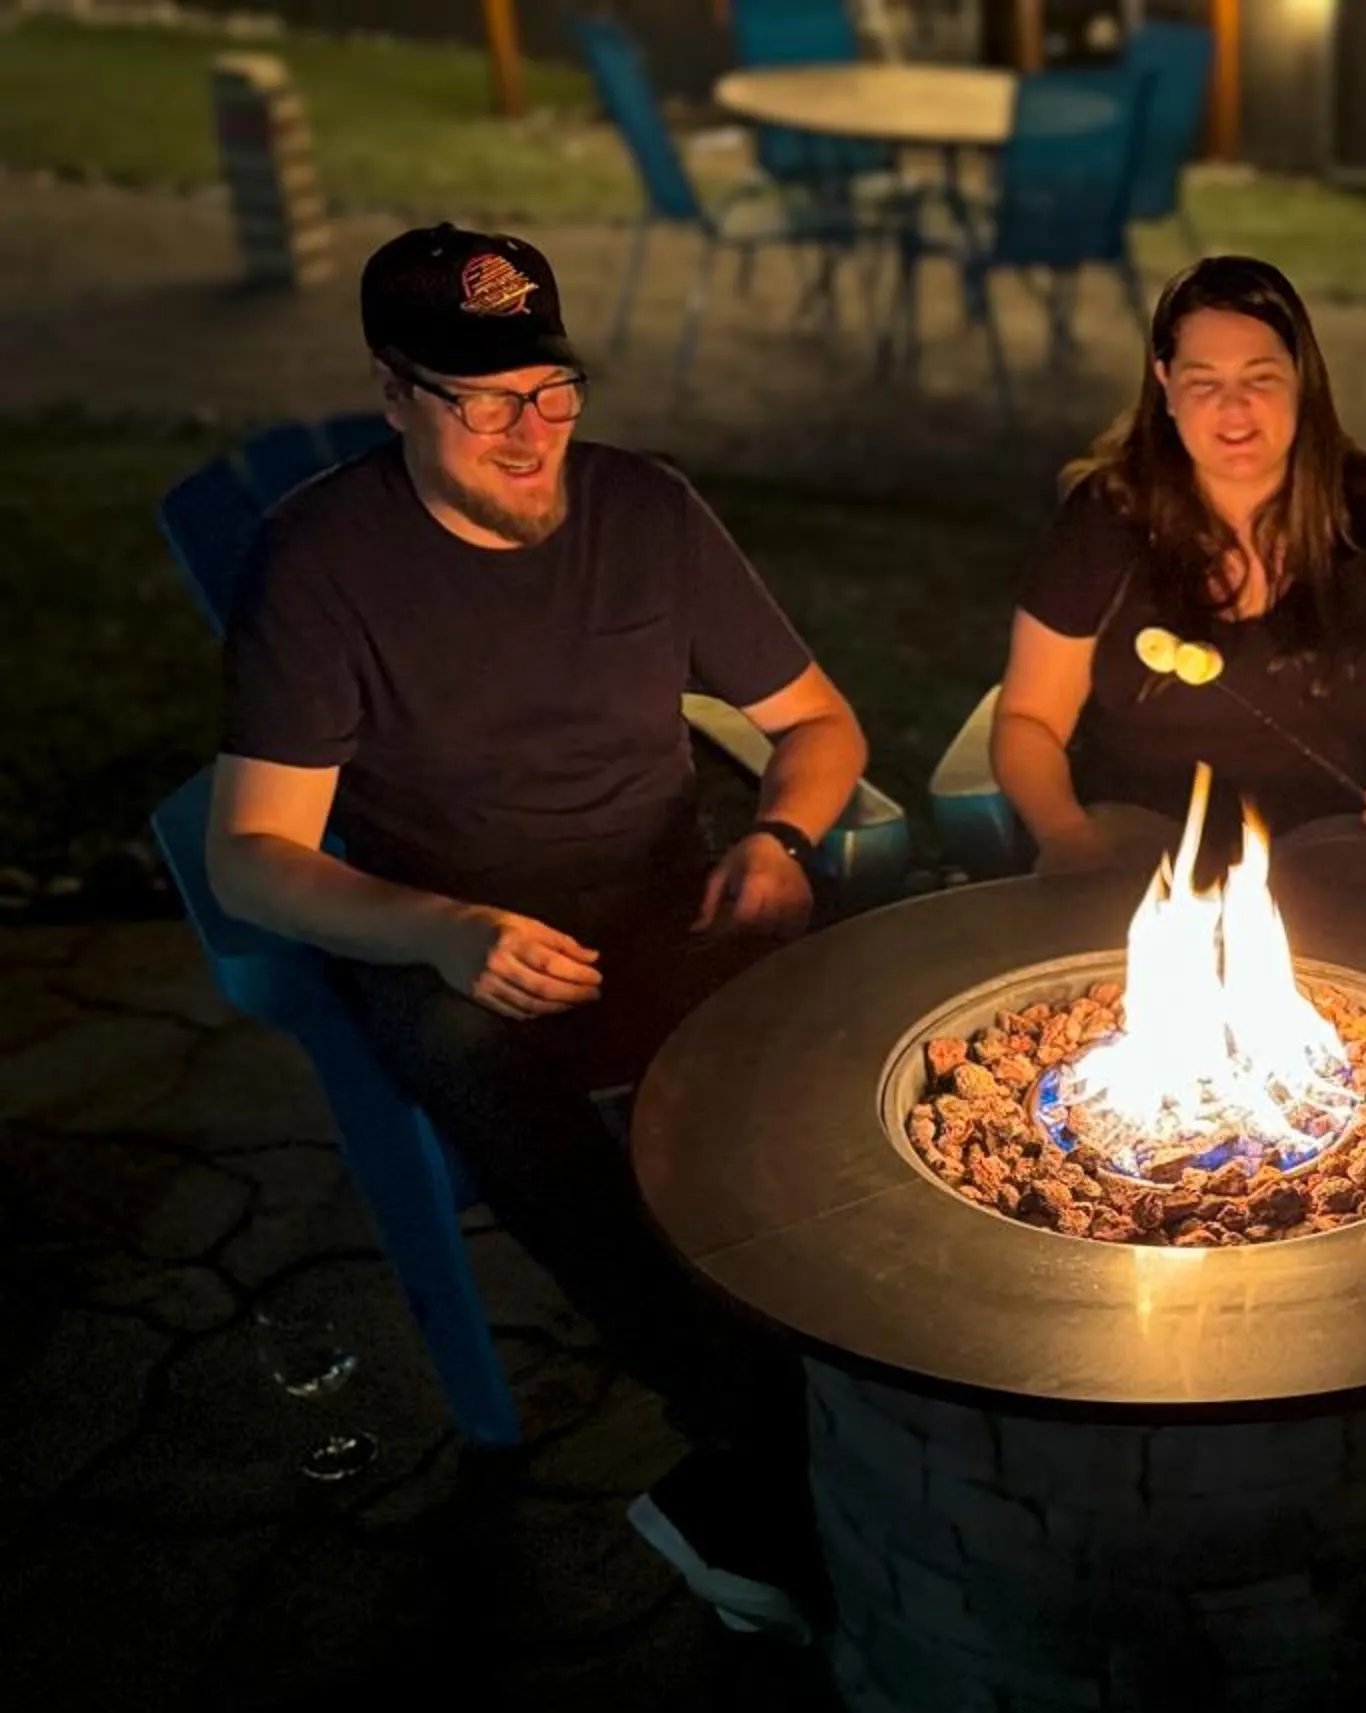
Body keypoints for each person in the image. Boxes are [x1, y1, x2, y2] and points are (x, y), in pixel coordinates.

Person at [206, 224, 869, 1637]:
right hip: (448, 936)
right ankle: (758, 1440)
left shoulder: (647, 512)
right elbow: (253, 858)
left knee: (862, 987)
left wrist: (780, 840)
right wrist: (444, 930)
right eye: (487, 400)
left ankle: (866, 1363)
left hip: (660, 895)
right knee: (492, 1077)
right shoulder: (320, 564)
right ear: (395, 393)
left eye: (552, 389)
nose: (532, 431)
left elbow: (818, 725)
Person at [992, 255, 1366, 892]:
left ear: (1302, 377)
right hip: (1139, 830)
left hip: (1337, 830)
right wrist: (1066, 835)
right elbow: (1029, 719)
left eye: (1259, 378)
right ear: (1165, 383)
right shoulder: (1106, 520)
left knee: (1364, 935)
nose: (1235, 408)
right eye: (1204, 382)